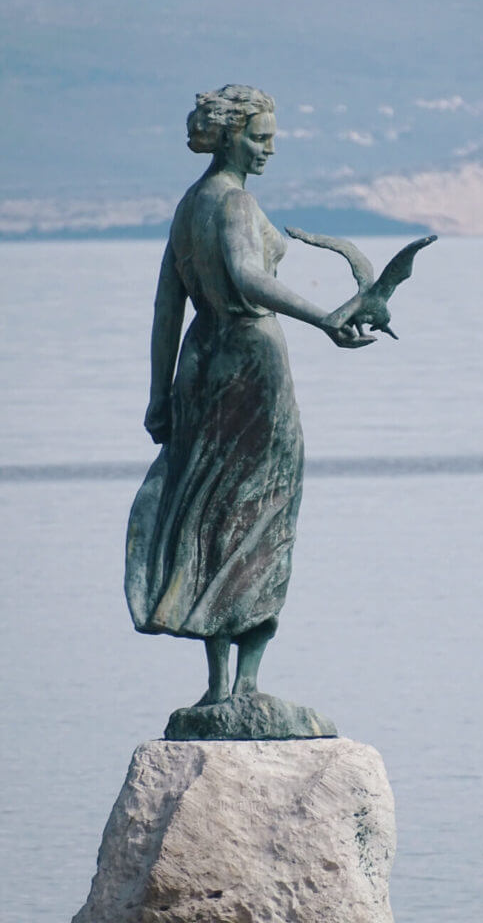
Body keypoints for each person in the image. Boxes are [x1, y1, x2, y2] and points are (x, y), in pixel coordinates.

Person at [125, 84, 372, 706]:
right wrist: (326, 319)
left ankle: (216, 688)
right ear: (230, 135)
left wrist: (159, 394)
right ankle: (248, 686)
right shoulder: (233, 203)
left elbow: (165, 308)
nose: (267, 150)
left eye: (271, 140)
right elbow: (247, 276)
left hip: (200, 362)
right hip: (251, 364)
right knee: (265, 513)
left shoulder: (189, 204)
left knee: (212, 510)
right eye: (259, 138)